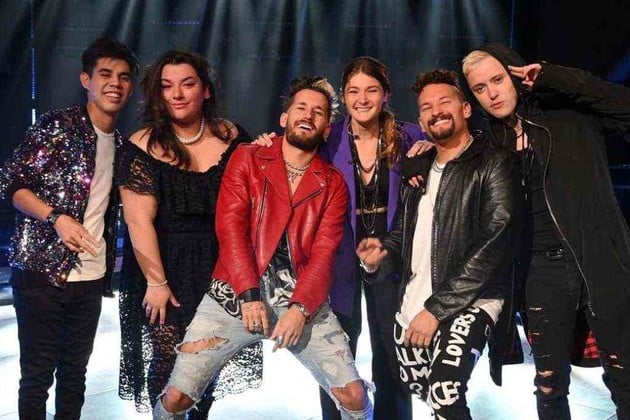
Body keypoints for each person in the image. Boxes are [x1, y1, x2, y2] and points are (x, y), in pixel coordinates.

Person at [153, 75, 372, 420]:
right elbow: (230, 229)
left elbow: (323, 254)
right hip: (234, 294)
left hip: (300, 299)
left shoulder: (333, 184)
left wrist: (300, 308)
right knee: (177, 397)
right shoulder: (248, 158)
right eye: (301, 108)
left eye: (318, 112)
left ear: (326, 129)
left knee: (354, 395)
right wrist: (249, 294)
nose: (308, 115)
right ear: (284, 118)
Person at [461, 43, 630, 419]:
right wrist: (420, 156)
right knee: (550, 384)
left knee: (625, 376)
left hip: (598, 258)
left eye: (498, 80)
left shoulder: (567, 115)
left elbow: (623, 105)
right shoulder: (488, 147)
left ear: (516, 76)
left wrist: (556, 77)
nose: (492, 93)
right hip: (540, 271)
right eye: (480, 88)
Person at [255, 57, 426, 420]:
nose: (362, 99)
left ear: (386, 95)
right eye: (353, 91)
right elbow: (291, 144)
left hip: (391, 252)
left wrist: (427, 154)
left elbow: (453, 147)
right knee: (336, 348)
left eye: (371, 90)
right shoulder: (330, 137)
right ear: (344, 97)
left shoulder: (410, 135)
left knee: (391, 349)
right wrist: (267, 143)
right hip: (338, 252)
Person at [357, 69, 522, 419]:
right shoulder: (418, 170)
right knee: (427, 394)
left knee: (445, 393)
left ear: (466, 108)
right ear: (421, 121)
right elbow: (403, 234)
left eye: (444, 102)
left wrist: (436, 309)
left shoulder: (496, 161)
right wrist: (379, 256)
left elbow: (497, 239)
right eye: (427, 107)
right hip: (413, 303)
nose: (436, 111)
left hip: (471, 300)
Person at [115, 50, 259, 418]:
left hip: (219, 266)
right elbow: (138, 221)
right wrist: (156, 283)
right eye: (167, 86)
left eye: (187, 84)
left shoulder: (233, 136)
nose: (177, 94)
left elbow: (257, 199)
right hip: (164, 267)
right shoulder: (141, 144)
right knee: (170, 364)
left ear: (206, 90)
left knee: (208, 361)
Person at [0, 37, 138, 419]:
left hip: (91, 278)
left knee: (75, 376)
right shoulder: (58, 126)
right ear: (86, 80)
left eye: (124, 77)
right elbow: (11, 184)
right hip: (41, 274)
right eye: (105, 74)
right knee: (37, 377)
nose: (115, 83)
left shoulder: (123, 145)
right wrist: (56, 218)